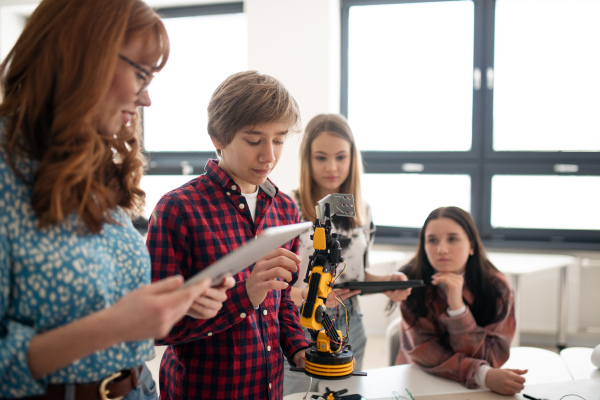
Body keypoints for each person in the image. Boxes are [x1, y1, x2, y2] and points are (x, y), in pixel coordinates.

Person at [0, 0, 235, 397]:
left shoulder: (88, 164)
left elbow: (100, 297)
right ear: (82, 57)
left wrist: (175, 304)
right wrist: (117, 325)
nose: (146, 100)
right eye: (141, 75)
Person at [146, 70, 310, 400]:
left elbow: (282, 305)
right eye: (254, 140)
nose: (269, 155)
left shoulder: (285, 210)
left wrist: (299, 349)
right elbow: (156, 326)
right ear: (218, 137)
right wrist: (244, 296)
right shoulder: (178, 210)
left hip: (269, 390)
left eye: (278, 140)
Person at [283, 113, 412, 395]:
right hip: (298, 325)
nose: (332, 167)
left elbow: (352, 274)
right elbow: (275, 289)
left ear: (352, 158)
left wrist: (386, 282)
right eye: (321, 157)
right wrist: (310, 295)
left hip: (348, 324)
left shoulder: (362, 211)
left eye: (341, 157)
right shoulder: (287, 208)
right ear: (307, 159)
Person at [392, 206, 527, 395]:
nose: (441, 249)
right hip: (420, 380)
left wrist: (458, 308)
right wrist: (481, 374)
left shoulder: (497, 288)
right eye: (432, 240)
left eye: (452, 239)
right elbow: (426, 354)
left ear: (471, 245)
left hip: (474, 390)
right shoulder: (410, 282)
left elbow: (490, 357)